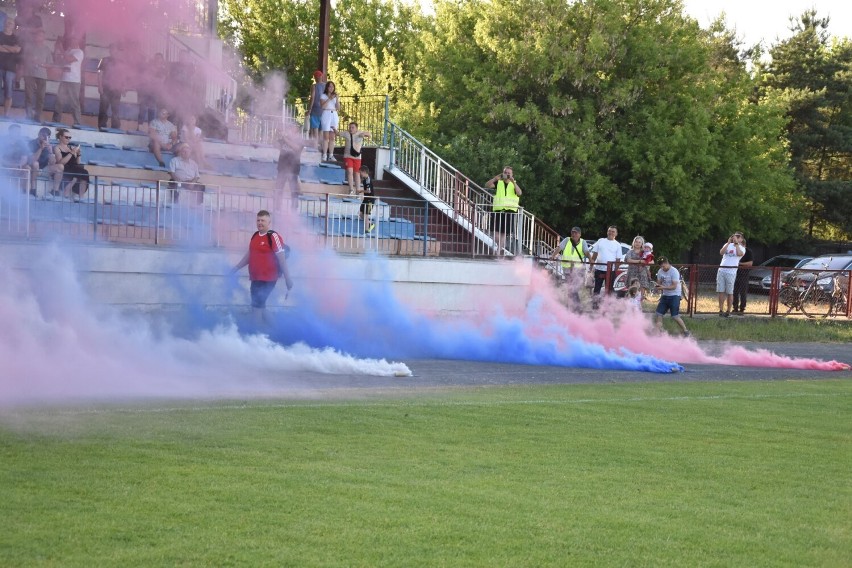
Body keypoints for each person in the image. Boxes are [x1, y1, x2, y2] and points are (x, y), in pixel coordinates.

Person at [231, 210, 294, 326]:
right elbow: (249, 256)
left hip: (268, 279)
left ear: (269, 222)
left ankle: (256, 336)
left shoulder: (273, 236)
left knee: (256, 308)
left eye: (263, 220)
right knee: (260, 307)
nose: (260, 222)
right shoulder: (255, 236)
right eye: (258, 220)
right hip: (255, 278)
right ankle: (276, 329)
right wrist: (236, 268)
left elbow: (282, 259)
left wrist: (288, 279)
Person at [485, 165, 522, 255]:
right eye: (505, 172)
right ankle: (500, 246)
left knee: (504, 233)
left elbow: (519, 193)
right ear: (503, 173)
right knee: (495, 232)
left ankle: (499, 250)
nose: (507, 174)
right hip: (498, 210)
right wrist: (495, 179)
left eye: (509, 173)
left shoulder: (513, 184)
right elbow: (487, 185)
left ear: (512, 174)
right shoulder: (499, 182)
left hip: (509, 211)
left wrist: (513, 182)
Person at [654, 256, 690, 336]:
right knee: (659, 314)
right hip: (665, 295)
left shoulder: (674, 271)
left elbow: (674, 286)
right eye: (661, 266)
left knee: (674, 316)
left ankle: (685, 331)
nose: (662, 268)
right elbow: (658, 282)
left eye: (663, 266)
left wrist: (663, 287)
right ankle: (660, 331)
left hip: (675, 295)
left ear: (667, 263)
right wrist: (657, 287)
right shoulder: (660, 271)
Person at [21, 28, 52, 121]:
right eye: (37, 35)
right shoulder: (29, 47)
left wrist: (41, 63)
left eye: (41, 35)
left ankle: (37, 116)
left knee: (40, 97)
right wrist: (30, 60)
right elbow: (23, 60)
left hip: (42, 75)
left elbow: (50, 64)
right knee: (29, 96)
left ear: (44, 37)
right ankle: (29, 116)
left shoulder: (47, 49)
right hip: (29, 74)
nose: (38, 37)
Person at [52, 36, 84, 125]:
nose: (72, 41)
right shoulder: (68, 51)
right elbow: (59, 62)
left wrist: (61, 49)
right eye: (72, 39)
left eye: (74, 39)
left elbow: (69, 59)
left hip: (74, 80)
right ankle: (55, 121)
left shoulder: (79, 52)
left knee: (74, 102)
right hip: (64, 79)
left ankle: (77, 123)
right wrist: (56, 48)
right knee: (59, 101)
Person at [53, 128, 89, 201]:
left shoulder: (71, 147)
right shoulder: (57, 148)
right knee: (73, 174)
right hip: (64, 167)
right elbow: (60, 162)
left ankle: (81, 196)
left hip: (73, 167)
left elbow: (78, 162)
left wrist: (79, 154)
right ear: (60, 137)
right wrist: (71, 153)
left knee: (85, 172)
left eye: (70, 137)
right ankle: (66, 193)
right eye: (66, 137)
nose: (68, 139)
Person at [28, 127, 63, 196]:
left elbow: (52, 163)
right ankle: (33, 190)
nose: (45, 138)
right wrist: (41, 148)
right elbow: (32, 160)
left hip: (44, 169)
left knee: (60, 167)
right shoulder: (32, 143)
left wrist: (50, 152)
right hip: (33, 169)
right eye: (43, 136)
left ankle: (55, 191)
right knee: (35, 163)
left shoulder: (49, 145)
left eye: (47, 136)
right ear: (39, 135)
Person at [717, 231, 745, 317]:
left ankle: (728, 311)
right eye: (734, 236)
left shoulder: (741, 247)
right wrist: (728, 243)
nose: (735, 237)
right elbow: (721, 252)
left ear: (741, 239)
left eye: (738, 236)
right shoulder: (727, 245)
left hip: (731, 272)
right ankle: (721, 310)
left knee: (730, 292)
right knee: (721, 291)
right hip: (722, 270)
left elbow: (740, 254)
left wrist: (736, 244)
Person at [589, 225, 623, 297]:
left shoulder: (617, 245)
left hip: (611, 271)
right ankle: (595, 306)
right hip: (599, 269)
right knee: (597, 289)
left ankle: (608, 306)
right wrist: (591, 267)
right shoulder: (600, 241)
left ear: (616, 234)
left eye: (613, 231)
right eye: (609, 231)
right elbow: (594, 254)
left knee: (609, 290)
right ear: (607, 232)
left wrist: (614, 271)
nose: (611, 233)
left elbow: (618, 260)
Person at [97, 43, 125, 129]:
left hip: (117, 89)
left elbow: (123, 75)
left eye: (114, 49)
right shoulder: (103, 60)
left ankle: (115, 127)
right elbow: (99, 73)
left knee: (115, 109)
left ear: (117, 50)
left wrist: (123, 87)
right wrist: (99, 86)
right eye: (111, 49)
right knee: (103, 108)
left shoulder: (122, 62)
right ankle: (101, 126)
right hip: (106, 88)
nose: (112, 50)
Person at [341, 122, 370, 195]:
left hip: (357, 157)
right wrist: (334, 130)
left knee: (357, 174)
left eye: (352, 127)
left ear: (356, 128)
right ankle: (351, 190)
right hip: (348, 156)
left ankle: (358, 191)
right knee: (350, 171)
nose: (351, 129)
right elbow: (338, 133)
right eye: (350, 127)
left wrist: (364, 134)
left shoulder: (360, 132)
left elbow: (369, 134)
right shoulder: (346, 133)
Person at [0, 16, 21, 117]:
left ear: (13, 26)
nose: (8, 24)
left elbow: (16, 50)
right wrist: (11, 49)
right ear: (4, 23)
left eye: (11, 23)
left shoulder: (16, 38)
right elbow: (13, 50)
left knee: (8, 93)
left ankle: (6, 115)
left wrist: (3, 46)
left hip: (11, 69)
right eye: (7, 22)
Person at [732, 236, 754, 315]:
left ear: (743, 244)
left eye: (739, 243)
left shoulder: (748, 251)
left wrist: (739, 264)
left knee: (743, 292)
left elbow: (750, 263)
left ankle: (742, 308)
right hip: (734, 273)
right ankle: (734, 307)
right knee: (734, 291)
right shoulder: (734, 250)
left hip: (743, 274)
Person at [319, 81, 339, 162]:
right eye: (330, 86)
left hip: (334, 114)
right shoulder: (323, 95)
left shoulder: (335, 96)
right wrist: (329, 98)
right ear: (327, 87)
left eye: (332, 87)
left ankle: (331, 155)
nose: (331, 88)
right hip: (326, 113)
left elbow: (338, 108)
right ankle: (324, 154)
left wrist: (336, 99)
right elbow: (323, 106)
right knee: (326, 137)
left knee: (332, 137)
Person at [306, 70, 325, 147]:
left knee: (315, 129)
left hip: (315, 110)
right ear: (322, 76)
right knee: (321, 130)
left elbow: (313, 97)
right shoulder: (326, 85)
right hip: (324, 110)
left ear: (314, 77)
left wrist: (309, 109)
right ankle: (321, 147)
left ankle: (315, 147)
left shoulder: (314, 86)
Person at [359, 165, 376, 233]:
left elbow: (369, 191)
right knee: (361, 214)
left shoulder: (368, 180)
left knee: (366, 214)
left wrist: (361, 191)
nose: (360, 174)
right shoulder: (364, 180)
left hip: (370, 200)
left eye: (361, 172)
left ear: (364, 172)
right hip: (365, 199)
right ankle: (370, 224)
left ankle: (366, 230)